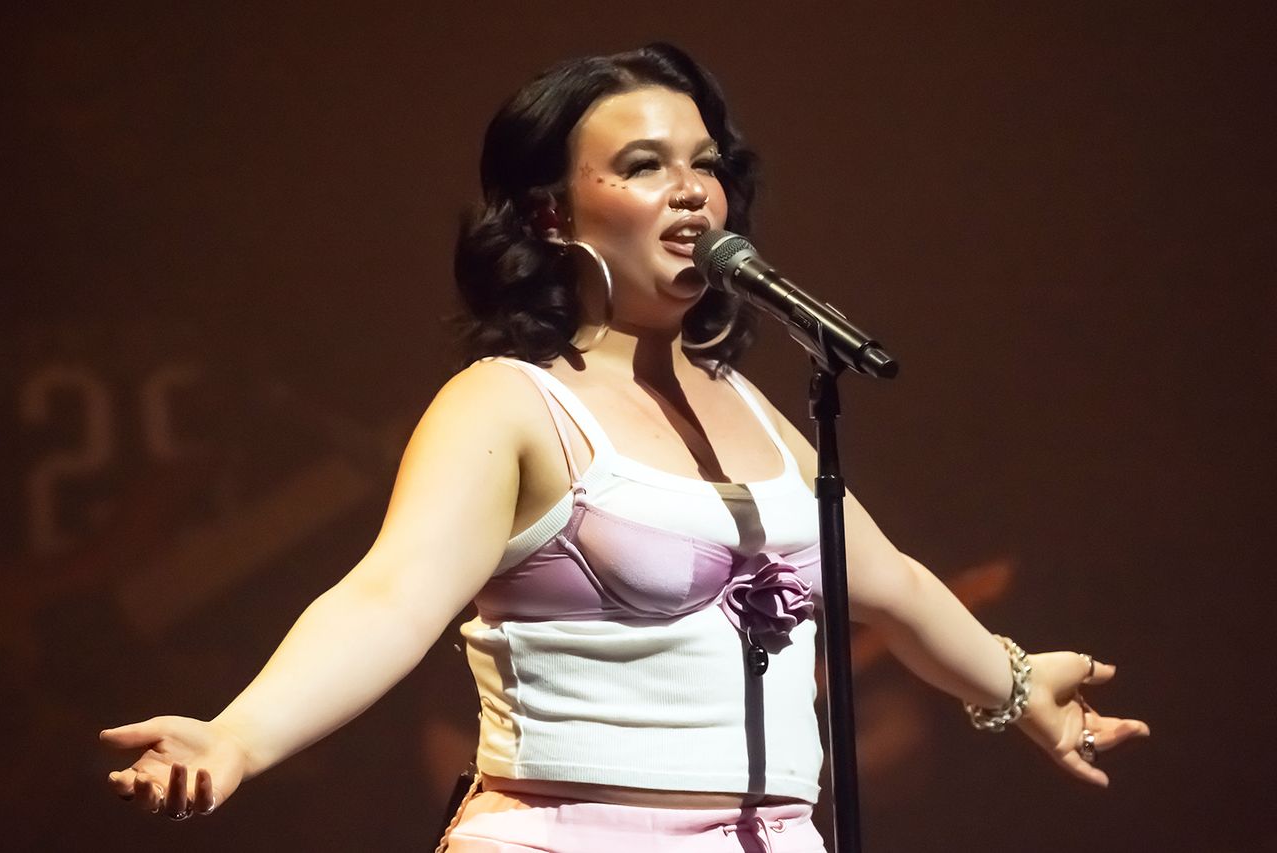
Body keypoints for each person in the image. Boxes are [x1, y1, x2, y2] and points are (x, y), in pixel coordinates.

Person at [101, 43, 1150, 851]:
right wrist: (237, 736)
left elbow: (892, 588)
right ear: (553, 214)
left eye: (704, 165)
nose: (689, 189)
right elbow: (387, 599)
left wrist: (1017, 690)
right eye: (643, 166)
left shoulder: (748, 404)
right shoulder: (511, 403)